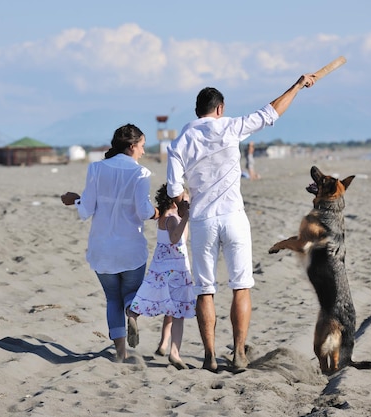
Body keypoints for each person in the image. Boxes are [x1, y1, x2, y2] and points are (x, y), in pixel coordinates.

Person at [166, 73, 317, 372]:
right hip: (233, 217)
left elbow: (173, 189)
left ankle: (209, 356)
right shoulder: (231, 126)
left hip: (202, 220)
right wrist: (298, 86)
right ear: (220, 109)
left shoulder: (181, 139)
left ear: (198, 111)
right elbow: (271, 112)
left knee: (205, 289)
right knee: (241, 286)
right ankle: (238, 353)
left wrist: (186, 200)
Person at [61, 123, 158, 362]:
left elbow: (86, 210)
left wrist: (75, 200)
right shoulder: (140, 173)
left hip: (102, 248)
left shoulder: (96, 168)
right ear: (133, 146)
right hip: (130, 248)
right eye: (142, 146)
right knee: (131, 293)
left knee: (112, 298)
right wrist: (159, 212)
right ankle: (132, 313)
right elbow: (144, 211)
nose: (144, 152)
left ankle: (121, 353)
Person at [129, 184, 196, 370]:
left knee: (157, 298)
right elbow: (175, 239)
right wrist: (187, 218)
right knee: (179, 312)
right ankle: (174, 353)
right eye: (186, 200)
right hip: (176, 267)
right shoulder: (173, 219)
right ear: (177, 201)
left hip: (160, 265)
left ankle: (135, 314)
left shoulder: (163, 217)